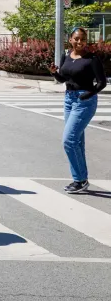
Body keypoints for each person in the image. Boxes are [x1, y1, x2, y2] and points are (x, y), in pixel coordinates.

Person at [50, 27, 107, 194]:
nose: (79, 42)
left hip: (84, 101)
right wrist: (54, 73)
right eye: (76, 38)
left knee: (69, 140)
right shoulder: (66, 56)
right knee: (77, 141)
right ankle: (81, 179)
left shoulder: (92, 59)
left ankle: (80, 179)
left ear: (86, 41)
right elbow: (63, 79)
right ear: (70, 40)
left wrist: (88, 95)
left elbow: (101, 83)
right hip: (68, 99)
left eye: (82, 39)